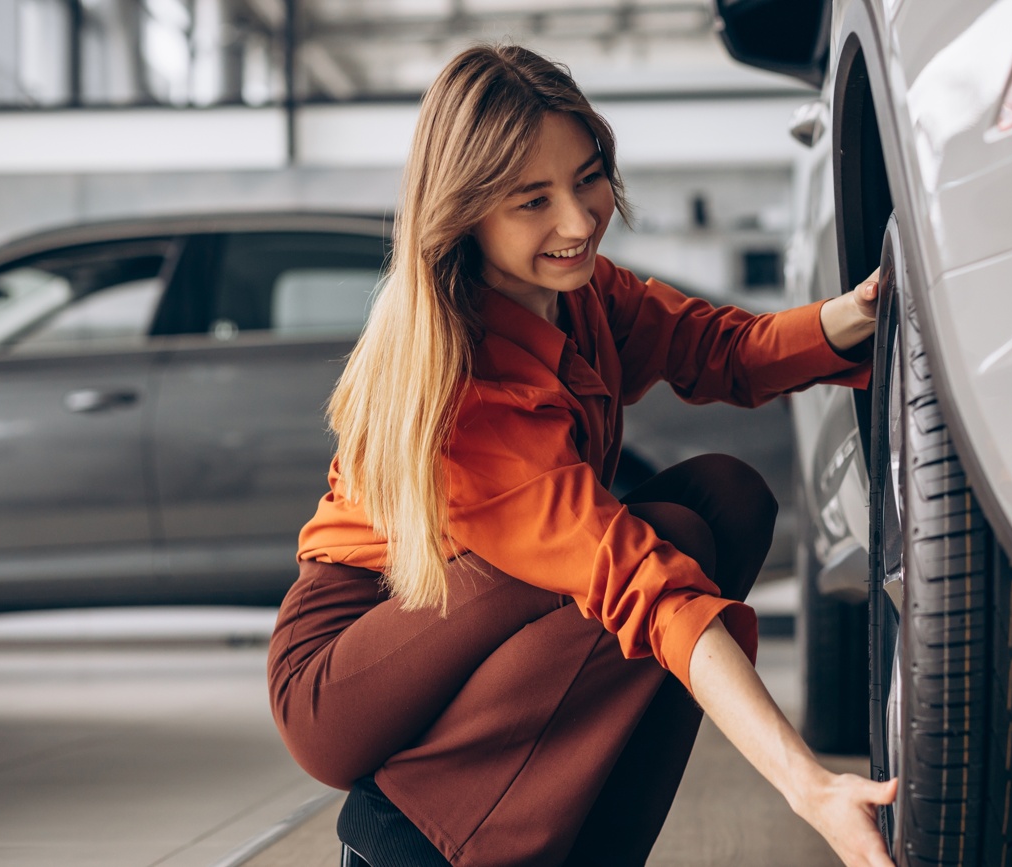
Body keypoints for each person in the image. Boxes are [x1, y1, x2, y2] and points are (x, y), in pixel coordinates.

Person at [267, 43, 897, 867]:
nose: (578, 219)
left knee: (724, 501)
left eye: (588, 176)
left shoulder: (584, 295)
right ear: (465, 213)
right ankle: (409, 845)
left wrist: (857, 313)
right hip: (352, 666)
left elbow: (720, 348)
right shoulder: (468, 386)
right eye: (533, 200)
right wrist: (809, 785)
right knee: (653, 558)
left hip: (471, 607)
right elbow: (641, 583)